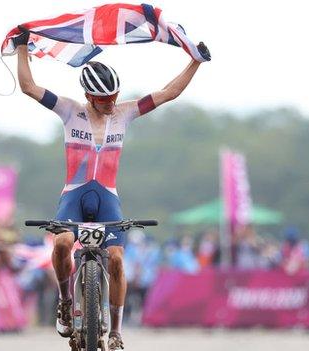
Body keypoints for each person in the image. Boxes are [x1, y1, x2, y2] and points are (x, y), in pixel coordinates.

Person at [13, 27, 210, 350]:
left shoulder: (125, 112)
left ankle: (116, 331)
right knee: (62, 243)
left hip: (107, 199)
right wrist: (22, 48)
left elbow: (168, 93)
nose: (111, 103)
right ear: (89, 96)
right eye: (104, 99)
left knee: (116, 259)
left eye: (114, 97)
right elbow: (28, 87)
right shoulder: (68, 110)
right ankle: (65, 301)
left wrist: (195, 62)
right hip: (73, 196)